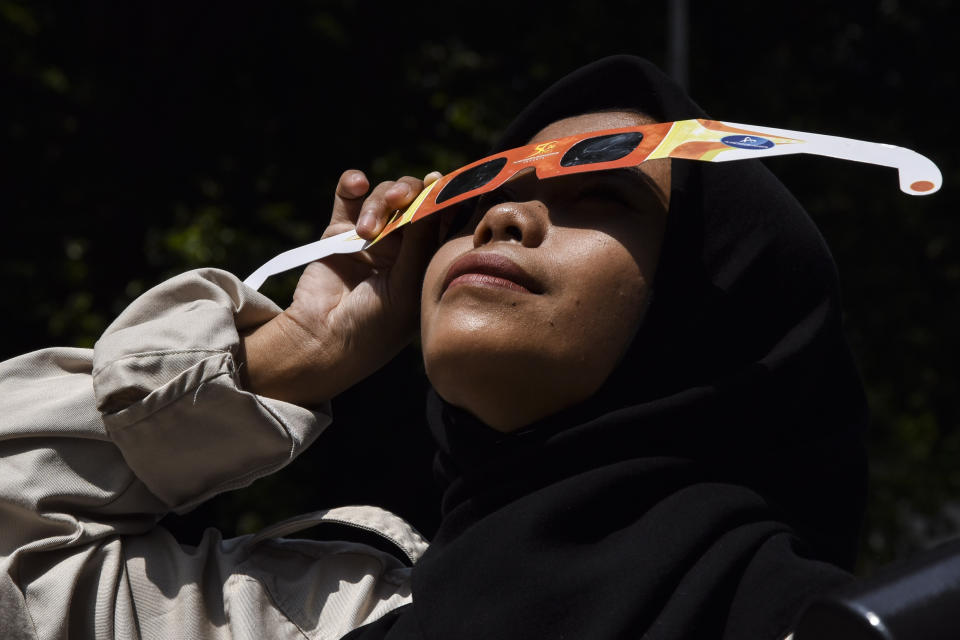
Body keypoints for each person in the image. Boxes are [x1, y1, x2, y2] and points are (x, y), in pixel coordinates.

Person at [0, 56, 866, 639]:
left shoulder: (838, 625)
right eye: (482, 187)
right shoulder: (304, 619)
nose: (502, 215)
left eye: (602, 196)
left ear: (712, 312)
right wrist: (295, 354)